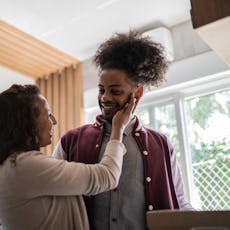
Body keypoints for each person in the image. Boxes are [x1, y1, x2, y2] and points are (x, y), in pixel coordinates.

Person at [53, 30, 194, 230]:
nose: (105, 98)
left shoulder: (161, 144)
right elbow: (52, 198)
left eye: (115, 91)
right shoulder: (71, 141)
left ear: (137, 92)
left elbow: (179, 201)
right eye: (101, 89)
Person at [0, 84, 135, 230]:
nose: (54, 120)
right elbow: (107, 175)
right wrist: (118, 129)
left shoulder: (12, 165)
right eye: (48, 114)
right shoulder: (25, 166)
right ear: (27, 122)